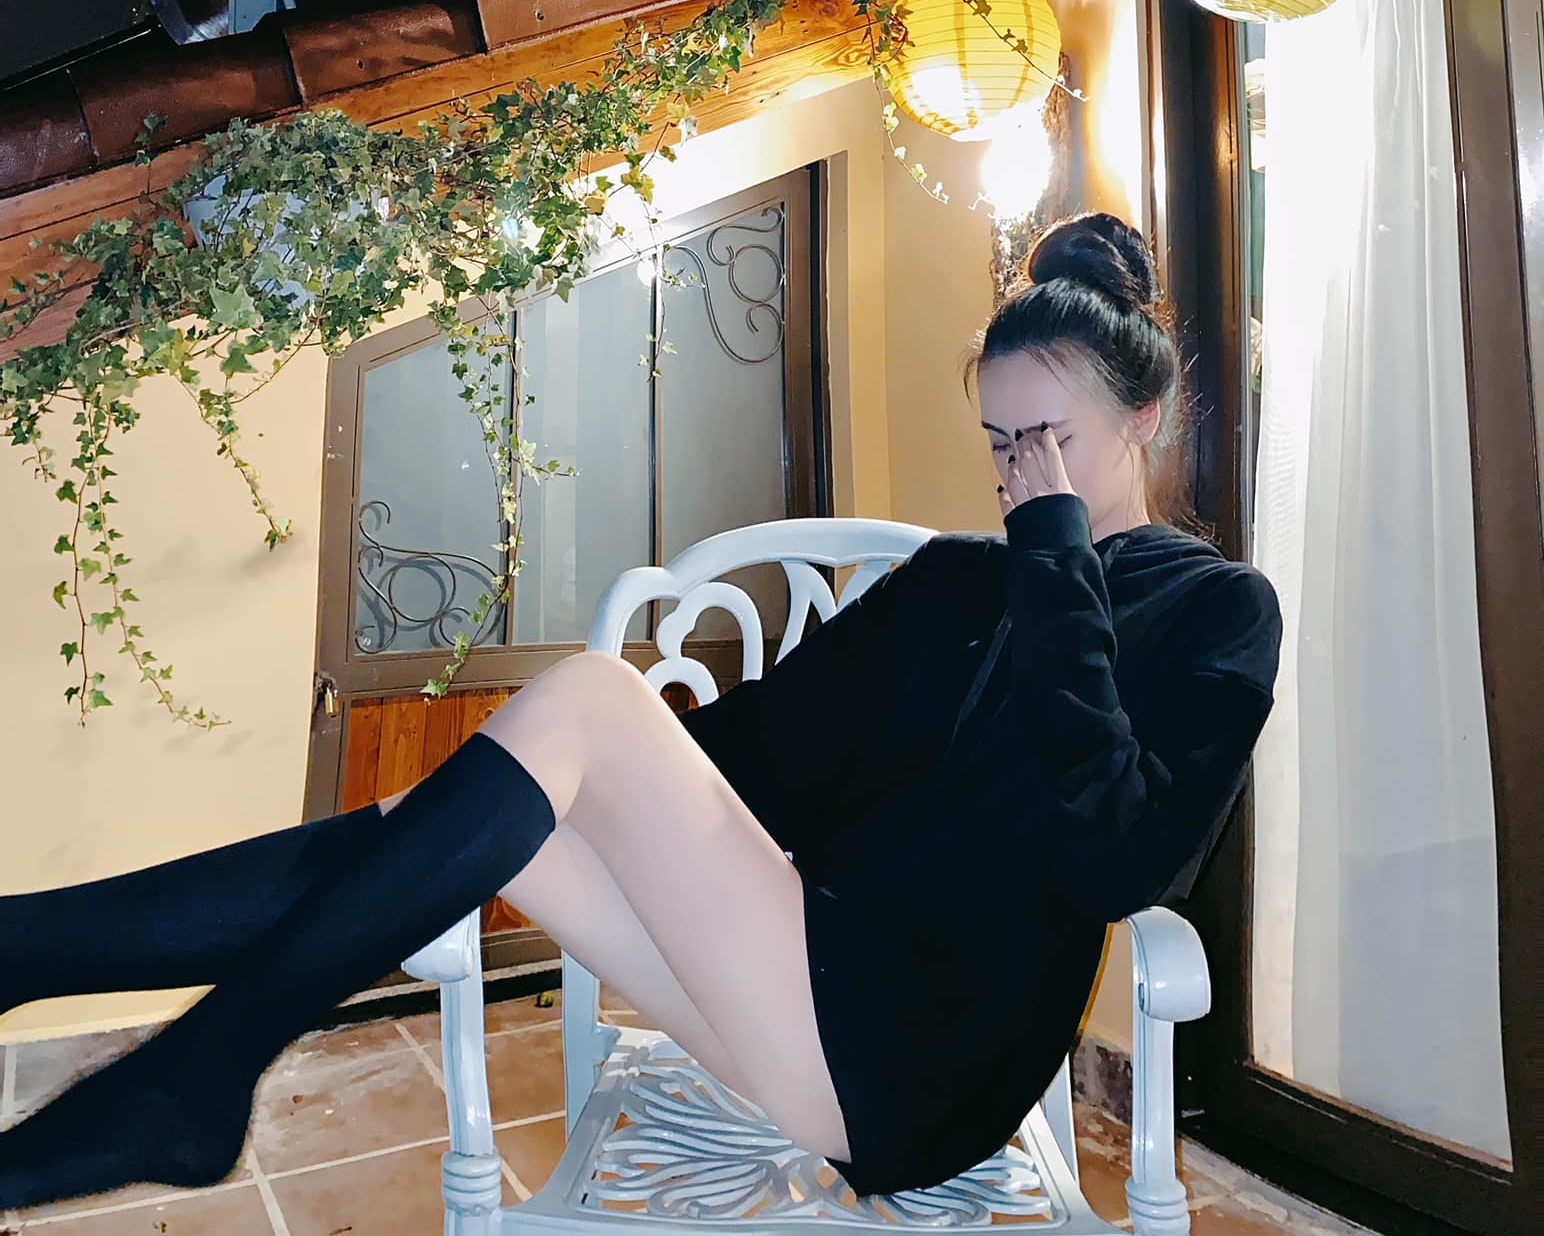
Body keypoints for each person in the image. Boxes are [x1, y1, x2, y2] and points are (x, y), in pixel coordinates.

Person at [0, 211, 1280, 1212]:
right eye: (999, 443)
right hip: (798, 992)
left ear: (1141, 417)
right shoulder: (950, 580)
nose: (1017, 474)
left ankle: (179, 1060)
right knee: (486, 811)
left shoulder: (1219, 610)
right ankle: (46, 959)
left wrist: (1056, 558)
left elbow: (1115, 860)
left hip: (922, 1053)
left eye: (1046, 439)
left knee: (590, 703)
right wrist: (537, 790)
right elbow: (750, 752)